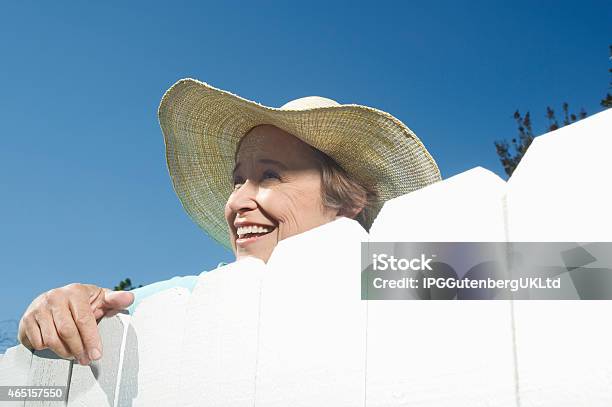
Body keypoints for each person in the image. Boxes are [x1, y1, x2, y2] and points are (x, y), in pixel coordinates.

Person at [17, 78, 441, 366]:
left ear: (347, 202)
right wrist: (57, 306)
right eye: (238, 180)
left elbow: (498, 277)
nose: (238, 200)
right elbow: (93, 315)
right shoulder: (195, 294)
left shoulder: (381, 275)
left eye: (270, 176)